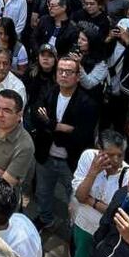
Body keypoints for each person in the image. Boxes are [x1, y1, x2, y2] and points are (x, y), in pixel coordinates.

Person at [29, 56, 101, 231]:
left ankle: (74, 230)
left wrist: (50, 123)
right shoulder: (48, 92)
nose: (63, 75)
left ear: (77, 76)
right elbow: (35, 116)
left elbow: (82, 134)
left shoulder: (87, 102)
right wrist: (60, 127)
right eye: (60, 71)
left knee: (74, 199)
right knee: (43, 193)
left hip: (71, 161)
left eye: (69, 72)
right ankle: (46, 219)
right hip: (45, 155)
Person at [66, 131, 127, 257]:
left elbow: (115, 213)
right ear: (98, 150)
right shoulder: (87, 158)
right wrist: (93, 172)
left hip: (108, 233)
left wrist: (91, 201)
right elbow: (79, 195)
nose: (115, 161)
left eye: (119, 155)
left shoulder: (128, 175)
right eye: (109, 155)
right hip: (84, 223)